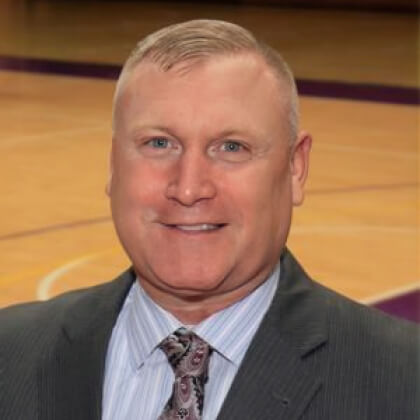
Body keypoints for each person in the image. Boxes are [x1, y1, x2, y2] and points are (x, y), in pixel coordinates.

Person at [0, 20, 418, 420]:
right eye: (159, 143)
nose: (188, 188)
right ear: (112, 165)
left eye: (231, 147)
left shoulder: (403, 383)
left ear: (295, 168)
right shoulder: (10, 355)